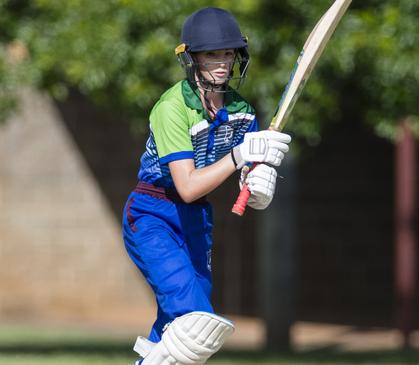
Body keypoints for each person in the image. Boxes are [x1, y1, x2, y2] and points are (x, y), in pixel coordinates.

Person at [122, 7, 292, 365]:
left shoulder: (242, 111)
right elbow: (186, 187)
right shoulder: (172, 107)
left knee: (189, 333)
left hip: (197, 218)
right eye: (212, 54)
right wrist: (239, 156)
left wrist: (260, 181)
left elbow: (252, 185)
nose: (222, 63)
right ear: (192, 58)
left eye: (228, 53)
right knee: (192, 317)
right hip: (153, 212)